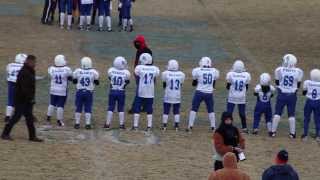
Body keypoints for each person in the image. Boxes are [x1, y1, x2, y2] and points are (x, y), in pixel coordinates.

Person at [1, 55, 43, 142]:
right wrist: (30, 98)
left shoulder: (30, 71)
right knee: (16, 117)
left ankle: (32, 136)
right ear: (29, 61)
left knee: (29, 118)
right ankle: (5, 133)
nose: (35, 64)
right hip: (22, 99)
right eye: (34, 62)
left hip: (26, 99)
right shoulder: (25, 72)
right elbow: (24, 88)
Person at [271, 54, 303, 138]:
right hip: (292, 95)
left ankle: (273, 132)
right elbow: (298, 85)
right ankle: (292, 133)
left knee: (277, 112)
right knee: (291, 114)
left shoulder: (279, 70)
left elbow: (277, 82)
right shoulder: (298, 71)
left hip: (282, 93)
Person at [186, 57, 219, 132]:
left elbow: (194, 84)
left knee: (194, 109)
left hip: (199, 92)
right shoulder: (214, 71)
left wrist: (197, 80)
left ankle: (190, 126)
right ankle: (213, 127)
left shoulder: (197, 70)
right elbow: (214, 83)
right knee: (211, 110)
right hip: (209, 93)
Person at [132, 53, 160, 131]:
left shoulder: (139, 67)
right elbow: (156, 75)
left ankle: (135, 126)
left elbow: (136, 74)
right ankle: (149, 126)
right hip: (150, 92)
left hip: (141, 91)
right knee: (149, 109)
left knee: (137, 107)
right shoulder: (155, 68)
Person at [73, 57, 100, 129]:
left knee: (78, 107)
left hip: (79, 92)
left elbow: (74, 81)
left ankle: (77, 123)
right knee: (88, 107)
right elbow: (97, 83)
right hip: (89, 93)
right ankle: (87, 124)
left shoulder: (77, 71)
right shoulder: (94, 72)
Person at [46, 55, 73, 127]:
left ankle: (48, 118)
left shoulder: (51, 69)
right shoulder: (67, 69)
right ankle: (59, 120)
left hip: (53, 89)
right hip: (62, 90)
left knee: (52, 103)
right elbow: (70, 77)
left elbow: (51, 72)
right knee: (60, 105)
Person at [104, 56, 130, 129]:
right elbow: (127, 81)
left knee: (111, 107)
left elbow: (110, 78)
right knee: (121, 108)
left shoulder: (111, 70)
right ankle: (121, 125)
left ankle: (107, 124)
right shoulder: (126, 73)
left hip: (112, 91)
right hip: (121, 92)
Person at [128, 35, 152, 114]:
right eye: (136, 42)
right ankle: (145, 107)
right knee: (145, 90)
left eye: (138, 42)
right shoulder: (142, 50)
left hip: (142, 74)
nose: (136, 44)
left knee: (139, 91)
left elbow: (147, 63)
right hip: (142, 73)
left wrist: (136, 72)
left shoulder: (144, 51)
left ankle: (135, 108)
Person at [226, 60, 251, 133]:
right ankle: (244, 128)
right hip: (241, 97)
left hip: (232, 96)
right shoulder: (246, 75)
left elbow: (227, 87)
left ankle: (227, 127)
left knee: (229, 113)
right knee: (242, 113)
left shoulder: (230, 74)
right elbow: (247, 87)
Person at [161, 59, 185, 131]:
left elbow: (164, 85)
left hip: (168, 94)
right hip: (177, 94)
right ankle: (176, 126)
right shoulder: (181, 74)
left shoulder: (165, 73)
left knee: (166, 110)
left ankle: (164, 126)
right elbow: (180, 84)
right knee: (176, 110)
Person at [5, 53, 28, 122]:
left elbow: (8, 72)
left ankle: (7, 117)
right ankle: (27, 115)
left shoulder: (10, 65)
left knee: (10, 100)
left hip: (11, 83)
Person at [301, 69, 320, 141]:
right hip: (318, 102)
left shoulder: (307, 82)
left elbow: (304, 93)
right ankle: (318, 136)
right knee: (317, 119)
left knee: (306, 119)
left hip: (309, 102)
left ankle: (305, 135)